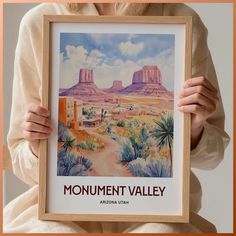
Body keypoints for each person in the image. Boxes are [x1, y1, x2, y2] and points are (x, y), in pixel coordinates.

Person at [4, 2, 230, 233]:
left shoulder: (181, 19)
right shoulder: (39, 22)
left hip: (158, 208)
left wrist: (194, 129)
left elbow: (213, 157)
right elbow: (19, 156)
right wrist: (35, 144)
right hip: (56, 210)